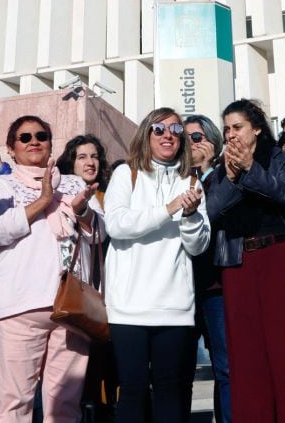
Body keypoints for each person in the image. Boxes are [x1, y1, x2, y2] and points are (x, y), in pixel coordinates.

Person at [206, 99, 285, 422]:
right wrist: (233, 176)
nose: (231, 136)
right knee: (248, 357)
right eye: (226, 130)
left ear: (257, 128)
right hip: (237, 264)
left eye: (238, 127)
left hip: (279, 258)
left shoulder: (279, 159)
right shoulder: (221, 170)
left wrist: (251, 169)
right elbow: (209, 211)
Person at [0, 115, 103, 423]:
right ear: (11, 149)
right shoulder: (1, 187)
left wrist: (82, 209)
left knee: (64, 408)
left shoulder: (75, 183)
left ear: (50, 143)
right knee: (14, 405)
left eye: (41, 135)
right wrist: (44, 200)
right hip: (16, 309)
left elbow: (100, 234)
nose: (34, 141)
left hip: (71, 310)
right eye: (25, 137)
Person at [104, 108, 210, 423]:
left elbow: (198, 244)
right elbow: (118, 225)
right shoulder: (126, 174)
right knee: (133, 393)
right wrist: (169, 209)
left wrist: (190, 216)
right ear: (146, 135)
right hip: (128, 308)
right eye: (159, 129)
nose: (168, 135)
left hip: (175, 308)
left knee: (171, 394)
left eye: (176, 130)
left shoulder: (191, 181)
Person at [56, 134, 117, 423]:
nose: (90, 162)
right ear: (71, 161)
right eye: (82, 157)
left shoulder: (104, 195)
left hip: (93, 297)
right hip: (62, 291)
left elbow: (102, 233)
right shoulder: (59, 193)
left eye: (94, 156)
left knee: (94, 372)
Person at [184, 114, 232, 423]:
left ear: (213, 143)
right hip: (180, 289)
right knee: (177, 371)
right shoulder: (172, 181)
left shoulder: (225, 177)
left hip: (216, 286)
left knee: (225, 366)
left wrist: (204, 171)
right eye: (185, 138)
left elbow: (213, 214)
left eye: (197, 137)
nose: (190, 143)